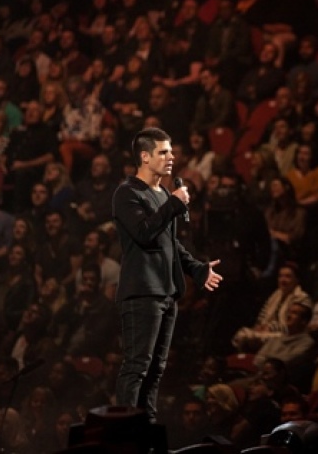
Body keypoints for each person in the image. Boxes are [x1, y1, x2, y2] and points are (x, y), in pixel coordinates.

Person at [112, 127, 222, 422]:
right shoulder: (127, 193)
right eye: (163, 152)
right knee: (137, 366)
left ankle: (146, 435)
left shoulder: (162, 194)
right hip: (142, 291)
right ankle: (123, 432)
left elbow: (168, 243)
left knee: (156, 370)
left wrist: (197, 268)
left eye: (171, 151)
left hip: (166, 292)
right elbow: (145, 234)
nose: (171, 157)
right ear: (145, 157)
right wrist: (174, 203)